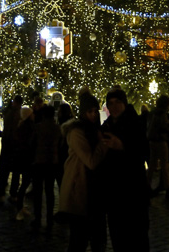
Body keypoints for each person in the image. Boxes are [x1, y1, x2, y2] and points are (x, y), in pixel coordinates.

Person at [101, 87, 150, 252]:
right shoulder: (107, 126)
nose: (114, 107)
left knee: (136, 238)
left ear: (124, 103)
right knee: (118, 238)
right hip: (114, 193)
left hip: (133, 191)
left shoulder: (135, 123)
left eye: (118, 102)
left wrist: (122, 146)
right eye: (110, 103)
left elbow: (143, 153)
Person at [59, 92, 108, 251]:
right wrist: (103, 144)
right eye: (90, 111)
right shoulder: (77, 132)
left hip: (94, 191)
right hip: (80, 189)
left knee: (97, 239)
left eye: (95, 111)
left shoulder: (94, 129)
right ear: (83, 112)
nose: (93, 115)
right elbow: (91, 161)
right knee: (79, 240)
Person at [0, 95, 23, 204]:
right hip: (16, 146)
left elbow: (8, 124)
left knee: (4, 172)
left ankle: (0, 195)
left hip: (9, 144)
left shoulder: (12, 113)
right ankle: (13, 194)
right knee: (15, 173)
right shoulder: (20, 114)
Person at [146, 94, 169, 198]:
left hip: (152, 141)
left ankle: (147, 185)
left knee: (152, 165)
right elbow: (163, 127)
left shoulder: (152, 112)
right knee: (164, 165)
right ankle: (168, 188)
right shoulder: (162, 114)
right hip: (161, 141)